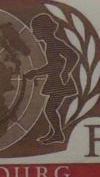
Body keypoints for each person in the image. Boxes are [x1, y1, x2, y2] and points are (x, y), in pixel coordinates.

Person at [24, 13, 81, 145]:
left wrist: (65, 73)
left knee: (50, 109)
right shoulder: (50, 43)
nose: (33, 32)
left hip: (60, 83)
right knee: (50, 109)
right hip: (56, 81)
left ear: (44, 29)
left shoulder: (54, 43)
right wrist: (36, 73)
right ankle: (54, 133)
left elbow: (72, 56)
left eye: (35, 29)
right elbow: (54, 65)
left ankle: (58, 134)